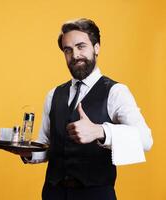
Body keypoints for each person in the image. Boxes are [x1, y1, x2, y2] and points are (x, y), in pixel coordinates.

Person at [15, 18, 153, 200]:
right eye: (68, 50)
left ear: (96, 48)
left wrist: (100, 131)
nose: (75, 55)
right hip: (53, 193)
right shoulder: (53, 94)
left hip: (95, 194)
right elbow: (47, 144)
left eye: (81, 47)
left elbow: (145, 140)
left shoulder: (116, 91)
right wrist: (27, 152)